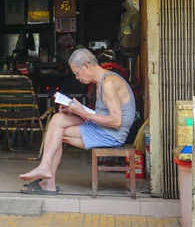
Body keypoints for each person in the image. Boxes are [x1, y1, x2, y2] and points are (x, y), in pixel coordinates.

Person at [19, 48, 135, 195]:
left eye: (76, 72)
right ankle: (45, 170)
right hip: (102, 128)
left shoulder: (108, 83)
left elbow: (116, 121)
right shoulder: (102, 81)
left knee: (57, 133)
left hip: (112, 134)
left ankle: (47, 179)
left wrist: (82, 112)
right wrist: (74, 111)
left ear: (86, 65)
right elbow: (103, 115)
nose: (77, 78)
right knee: (58, 118)